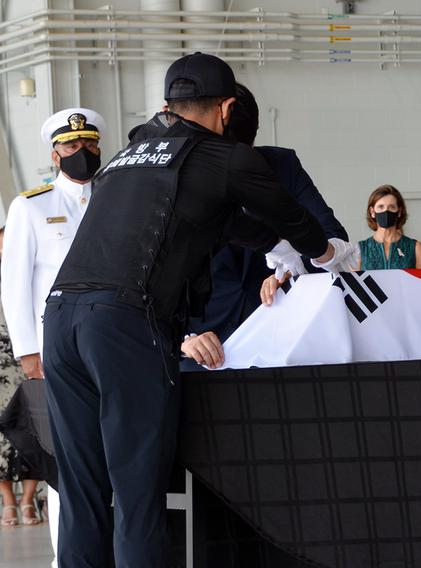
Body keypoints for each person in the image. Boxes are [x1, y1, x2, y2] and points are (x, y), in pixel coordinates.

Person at [42, 52, 354, 566]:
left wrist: (275, 251)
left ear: (168, 106)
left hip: (60, 318)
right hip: (122, 324)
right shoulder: (229, 158)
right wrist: (326, 254)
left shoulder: (126, 158)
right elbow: (296, 222)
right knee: (139, 501)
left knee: (82, 495)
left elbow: (223, 223)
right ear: (228, 109)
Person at [180, 83, 348, 370]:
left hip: (278, 335)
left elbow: (332, 237)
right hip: (201, 345)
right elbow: (151, 272)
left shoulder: (282, 165)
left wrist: (294, 266)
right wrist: (182, 338)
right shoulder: (180, 173)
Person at [1, 107, 107, 557]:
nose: (80, 152)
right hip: (54, 354)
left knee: (109, 452)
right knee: (67, 460)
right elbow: (15, 285)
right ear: (54, 153)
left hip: (110, 349)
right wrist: (28, 352)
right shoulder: (31, 206)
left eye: (88, 144)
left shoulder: (115, 199)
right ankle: (67, 554)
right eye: (70, 145)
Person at [0, 225, 34, 528]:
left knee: (33, 425)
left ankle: (28, 501)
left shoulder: (28, 271)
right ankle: (10, 501)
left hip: (26, 357)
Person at [359, 184, 421, 270]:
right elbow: (352, 282)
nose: (386, 211)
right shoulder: (360, 249)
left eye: (391, 207)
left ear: (399, 211)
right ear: (372, 212)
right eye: (381, 207)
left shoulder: (416, 248)